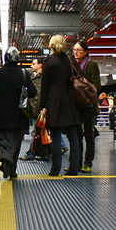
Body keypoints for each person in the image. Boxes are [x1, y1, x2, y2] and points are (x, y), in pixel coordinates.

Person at [0, 47, 36, 179]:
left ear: (5, 58)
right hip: (19, 116)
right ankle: (12, 170)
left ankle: (5, 157)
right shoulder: (24, 74)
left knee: (1, 139)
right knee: (16, 144)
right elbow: (33, 92)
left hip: (0, 116)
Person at [39, 35, 81, 176]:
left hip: (54, 102)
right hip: (69, 101)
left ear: (51, 46)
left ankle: (55, 169)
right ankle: (74, 168)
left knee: (55, 136)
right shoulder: (70, 61)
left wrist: (42, 106)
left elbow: (44, 86)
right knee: (73, 136)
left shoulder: (49, 62)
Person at [72, 40, 101, 173]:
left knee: (89, 135)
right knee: (76, 135)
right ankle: (77, 163)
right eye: (74, 50)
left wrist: (84, 90)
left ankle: (88, 163)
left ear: (86, 52)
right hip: (76, 105)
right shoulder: (72, 65)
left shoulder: (91, 65)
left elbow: (96, 85)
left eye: (79, 50)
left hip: (88, 105)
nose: (76, 52)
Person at [20, 58, 50, 161]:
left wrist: (39, 110)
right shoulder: (34, 77)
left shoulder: (43, 78)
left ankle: (32, 152)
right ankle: (44, 152)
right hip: (37, 109)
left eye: (34, 64)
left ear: (40, 65)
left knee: (36, 131)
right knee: (41, 131)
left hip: (39, 110)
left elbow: (39, 95)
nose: (31, 66)